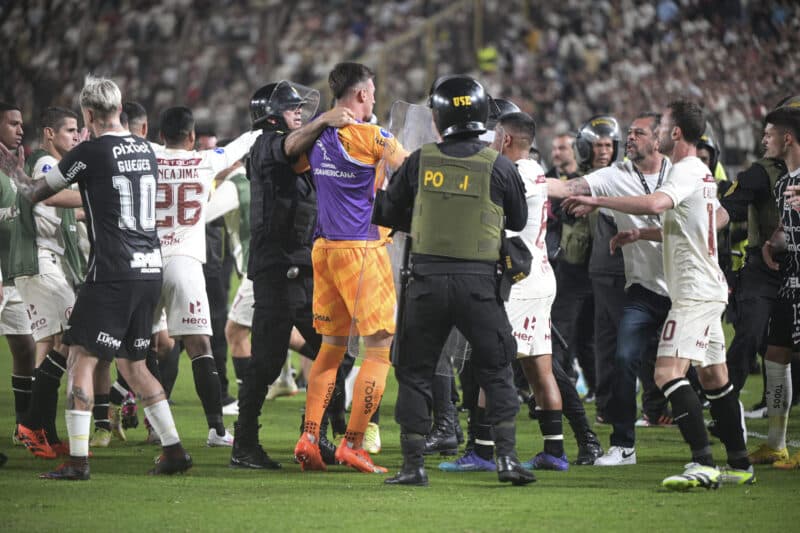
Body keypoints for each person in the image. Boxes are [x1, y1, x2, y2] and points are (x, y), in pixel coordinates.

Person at [0, 75, 191, 479]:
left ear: (88, 113)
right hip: (149, 267)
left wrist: (16, 174)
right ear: (120, 109)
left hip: (112, 272)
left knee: (81, 360)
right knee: (135, 364)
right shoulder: (145, 148)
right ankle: (174, 449)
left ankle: (78, 461)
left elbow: (37, 193)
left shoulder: (89, 151)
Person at [563, 100, 754, 490]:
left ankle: (702, 462)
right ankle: (740, 463)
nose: (659, 133)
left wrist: (597, 200)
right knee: (714, 376)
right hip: (705, 287)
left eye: (662, 127)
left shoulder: (684, 170)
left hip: (693, 292)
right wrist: (641, 233)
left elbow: (654, 204)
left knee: (666, 373)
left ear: (675, 133)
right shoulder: (699, 173)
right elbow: (703, 220)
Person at [374, 75, 533, 486]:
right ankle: (507, 461)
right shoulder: (498, 165)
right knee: (496, 369)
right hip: (480, 284)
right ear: (482, 115)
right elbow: (517, 220)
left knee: (413, 371)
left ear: (438, 116)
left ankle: (413, 466)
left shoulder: (420, 159)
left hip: (426, 280)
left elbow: (388, 212)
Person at [231, 81, 354, 469]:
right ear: (271, 114)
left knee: (335, 351)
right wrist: (324, 122)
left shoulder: (298, 149)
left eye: (301, 107)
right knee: (267, 362)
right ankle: (244, 445)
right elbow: (287, 147)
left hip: (304, 270)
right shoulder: (266, 143)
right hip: (277, 270)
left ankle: (315, 435)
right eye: (291, 107)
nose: (299, 111)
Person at [293, 62, 406, 475]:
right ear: (360, 95)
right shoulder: (374, 136)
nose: (375, 98)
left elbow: (295, 161)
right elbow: (412, 171)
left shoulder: (317, 137)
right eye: (372, 92)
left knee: (330, 349)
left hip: (323, 251)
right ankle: (353, 443)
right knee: (378, 350)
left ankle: (308, 436)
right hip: (362, 251)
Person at [548, 112, 673, 465]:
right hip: (619, 280)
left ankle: (713, 426)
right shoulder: (613, 176)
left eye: (636, 133)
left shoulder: (679, 174)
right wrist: (520, 175)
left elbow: (673, 209)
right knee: (615, 350)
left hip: (668, 281)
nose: (609, 148)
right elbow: (567, 189)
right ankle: (622, 435)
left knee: (682, 362)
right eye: (628, 133)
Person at [150, 106, 261, 447]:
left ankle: (150, 425)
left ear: (159, 136)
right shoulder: (204, 161)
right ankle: (217, 430)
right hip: (186, 263)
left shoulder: (148, 157)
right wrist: (266, 127)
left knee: (145, 349)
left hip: (148, 261)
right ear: (193, 137)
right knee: (201, 347)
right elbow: (241, 145)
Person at [10, 107, 87, 457]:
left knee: (52, 344)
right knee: (73, 338)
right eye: (70, 130)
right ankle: (30, 423)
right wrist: (95, 197)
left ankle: (42, 431)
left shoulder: (48, 165)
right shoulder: (45, 165)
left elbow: (65, 209)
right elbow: (50, 197)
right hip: (43, 261)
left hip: (43, 263)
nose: (76, 136)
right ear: (50, 134)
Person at [749, 105, 800, 469]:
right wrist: (773, 241)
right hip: (790, 281)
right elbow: (788, 227)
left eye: (768, 134)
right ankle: (776, 444)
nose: (763, 140)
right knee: (775, 357)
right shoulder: (783, 183)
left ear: (787, 138)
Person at [0, 103, 37, 453]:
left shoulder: (14, 171)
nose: (20, 129)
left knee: (26, 349)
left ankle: (23, 427)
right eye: (12, 123)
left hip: (15, 278)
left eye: (21, 124)